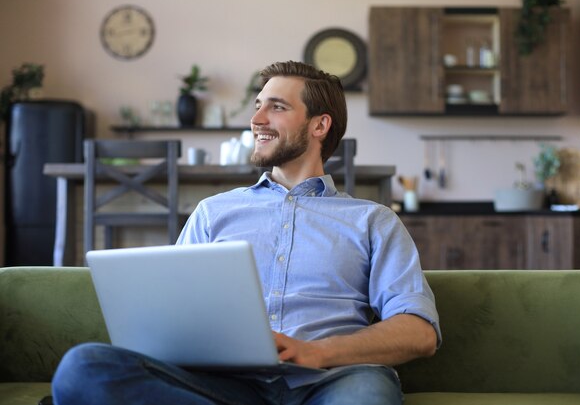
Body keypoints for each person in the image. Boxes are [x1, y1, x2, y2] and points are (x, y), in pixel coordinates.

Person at [52, 61, 441, 405]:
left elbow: (419, 331)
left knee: (368, 397)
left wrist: (316, 352)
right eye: (258, 106)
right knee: (84, 367)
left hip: (332, 380)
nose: (256, 120)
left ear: (320, 124)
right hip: (223, 386)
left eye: (277, 107)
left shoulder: (372, 220)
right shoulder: (213, 212)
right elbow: (174, 318)